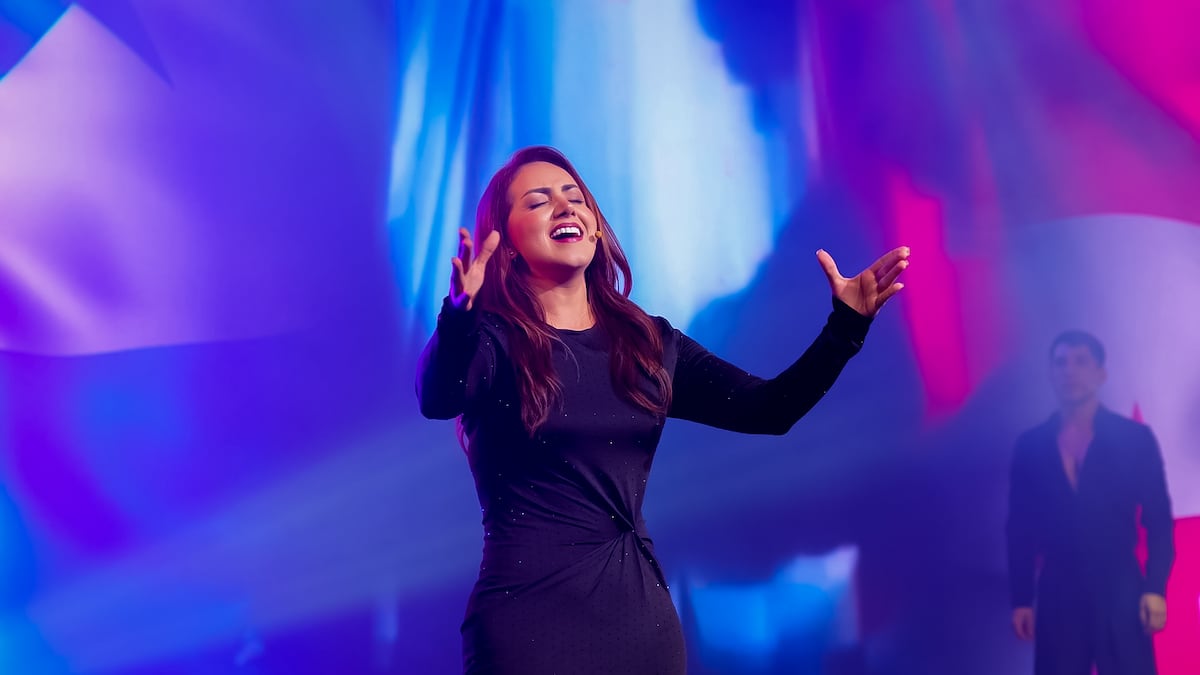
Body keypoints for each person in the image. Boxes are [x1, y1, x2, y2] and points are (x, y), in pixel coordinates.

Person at [416, 145, 909, 674]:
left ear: (597, 227)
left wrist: (845, 328)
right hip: (528, 621)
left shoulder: (648, 342)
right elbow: (437, 397)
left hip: (638, 620)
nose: (565, 208)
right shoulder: (490, 342)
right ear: (507, 243)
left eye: (575, 197)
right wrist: (459, 316)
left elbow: (770, 410)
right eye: (538, 202)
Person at [1007, 331, 1175, 675]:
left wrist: (1156, 587)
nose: (1070, 371)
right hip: (1058, 590)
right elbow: (1019, 529)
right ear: (1051, 374)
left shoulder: (1134, 439)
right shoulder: (1031, 446)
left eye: (1081, 361)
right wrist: (1022, 598)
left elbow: (1158, 519)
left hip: (1121, 588)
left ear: (1101, 373)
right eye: (1061, 363)